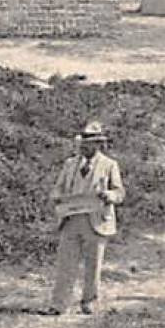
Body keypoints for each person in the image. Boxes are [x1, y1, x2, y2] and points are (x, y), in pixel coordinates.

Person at [45, 119, 125, 315]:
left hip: (96, 221)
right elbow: (58, 188)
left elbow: (119, 191)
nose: (84, 146)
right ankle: (59, 304)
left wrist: (109, 196)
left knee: (93, 265)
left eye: (89, 143)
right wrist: (56, 197)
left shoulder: (109, 165)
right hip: (71, 220)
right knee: (66, 264)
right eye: (82, 142)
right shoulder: (70, 164)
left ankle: (89, 302)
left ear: (98, 144)